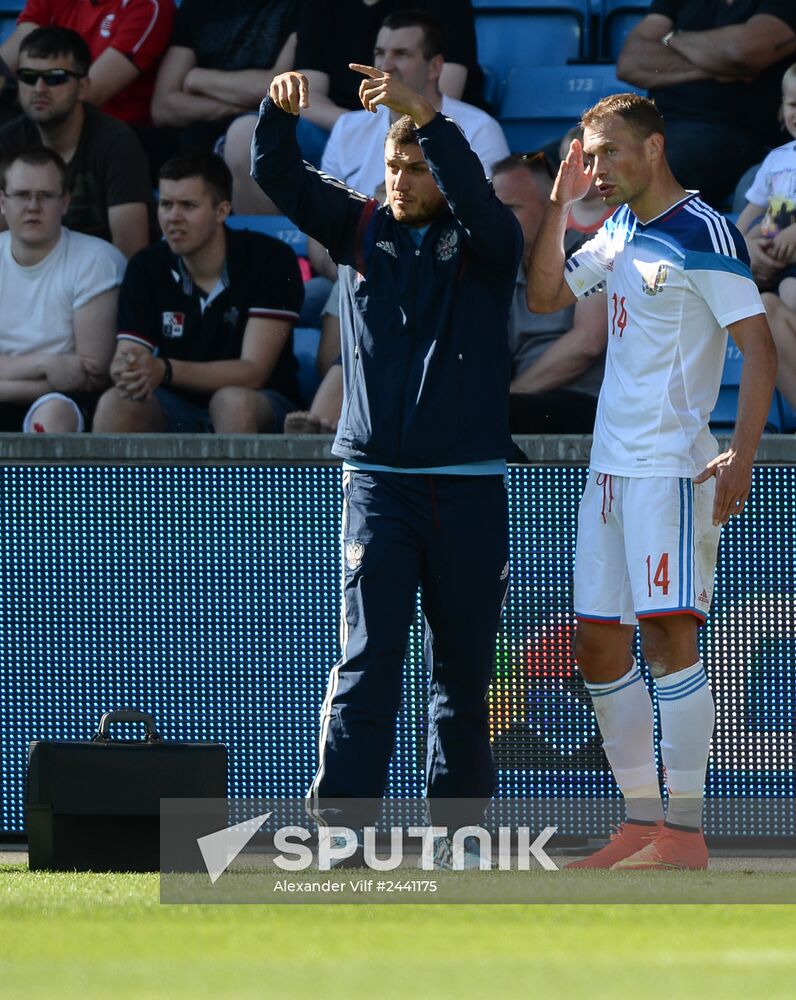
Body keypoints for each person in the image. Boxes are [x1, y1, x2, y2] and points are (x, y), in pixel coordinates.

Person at [252, 65, 522, 858]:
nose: (399, 182)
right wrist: (274, 111)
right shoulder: (361, 226)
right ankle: (339, 832)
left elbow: (478, 199)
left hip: (469, 488)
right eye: (393, 167)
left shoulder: (488, 243)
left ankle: (461, 835)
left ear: (444, 170)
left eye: (415, 169)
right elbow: (277, 172)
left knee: (463, 678)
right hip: (377, 487)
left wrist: (429, 120)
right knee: (368, 667)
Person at [526, 93, 777, 869]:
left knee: (670, 637)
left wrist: (741, 451)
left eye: (607, 154)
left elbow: (759, 346)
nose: (596, 169)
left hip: (671, 467)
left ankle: (688, 833)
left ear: (655, 148)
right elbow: (544, 296)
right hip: (608, 472)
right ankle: (639, 825)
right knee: (598, 644)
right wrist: (559, 203)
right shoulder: (621, 227)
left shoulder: (703, 230)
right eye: (589, 157)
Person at [287, 9, 509, 287]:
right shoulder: (347, 128)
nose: (386, 65)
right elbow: (320, 228)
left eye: (401, 54)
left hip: (442, 279)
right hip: (354, 278)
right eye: (380, 53)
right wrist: (360, 277)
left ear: (435, 67)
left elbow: (488, 223)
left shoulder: (479, 129)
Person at [91, 151, 304, 434]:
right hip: (174, 403)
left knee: (232, 402)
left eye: (188, 206)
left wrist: (164, 370)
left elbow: (253, 372)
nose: (173, 218)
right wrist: (128, 368)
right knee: (116, 403)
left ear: (222, 211)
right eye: (165, 204)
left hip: (261, 401)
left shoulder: (270, 259)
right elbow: (130, 352)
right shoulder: (146, 265)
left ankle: (236, 482)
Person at [616, 0, 796, 208]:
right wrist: (718, 66)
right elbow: (630, 61)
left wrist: (669, 38)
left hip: (736, 134)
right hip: (661, 123)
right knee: (592, 156)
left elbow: (740, 53)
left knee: (655, 166)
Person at [0, 146, 125, 432]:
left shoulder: (96, 260)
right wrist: (47, 363)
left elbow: (91, 377)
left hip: (64, 401)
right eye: (21, 195)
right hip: (39, 383)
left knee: (54, 413)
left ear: (65, 202)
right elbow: (67, 370)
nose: (33, 206)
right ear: (2, 202)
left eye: (45, 195)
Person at [0, 28, 152, 258]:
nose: (39, 89)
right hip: (29, 276)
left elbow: (130, 255)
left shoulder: (117, 143)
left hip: (98, 278)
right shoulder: (7, 140)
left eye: (55, 77)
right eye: (29, 77)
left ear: (82, 87)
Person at [490, 152, 607, 434]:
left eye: (512, 208)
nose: (499, 219)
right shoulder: (501, 269)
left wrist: (510, 394)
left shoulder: (592, 253)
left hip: (588, 402)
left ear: (549, 208)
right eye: (495, 209)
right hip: (521, 401)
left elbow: (586, 345)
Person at [150, 0, 299, 154]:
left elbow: (278, 88)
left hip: (264, 135)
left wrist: (196, 79)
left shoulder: (301, 6)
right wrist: (238, 109)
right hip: (199, 133)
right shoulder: (197, 6)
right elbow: (163, 107)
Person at [0, 0, 175, 127]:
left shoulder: (148, 5)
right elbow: (9, 59)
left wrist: (6, 89)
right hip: (42, 117)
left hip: (114, 132)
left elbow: (85, 95)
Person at [737, 63, 796, 304]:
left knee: (791, 292)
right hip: (775, 242)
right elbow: (753, 211)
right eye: (793, 105)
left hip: (789, 250)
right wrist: (743, 246)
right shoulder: (776, 159)